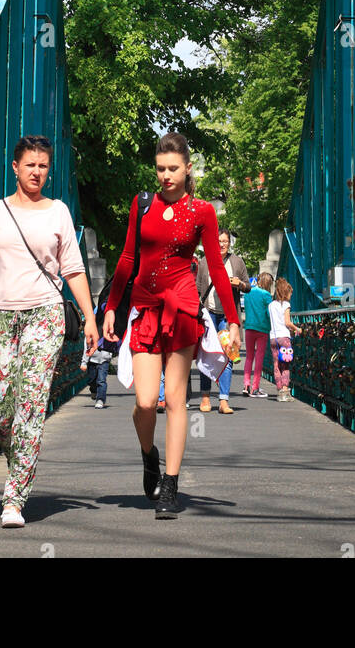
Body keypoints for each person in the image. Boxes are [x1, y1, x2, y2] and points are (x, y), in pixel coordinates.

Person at [0, 135, 98, 527]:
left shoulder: (59, 212)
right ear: (14, 167)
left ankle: (14, 498)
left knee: (30, 405)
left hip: (44, 317)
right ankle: (21, 463)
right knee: (1, 406)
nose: (37, 171)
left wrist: (90, 317)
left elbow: (74, 270)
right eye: (30, 164)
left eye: (43, 165)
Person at [102, 131, 240, 519]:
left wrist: (233, 319)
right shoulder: (141, 204)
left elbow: (215, 266)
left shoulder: (202, 212)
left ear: (188, 168)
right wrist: (112, 306)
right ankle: (150, 457)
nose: (165, 175)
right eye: (160, 168)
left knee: (176, 400)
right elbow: (128, 258)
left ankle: (171, 486)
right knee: (145, 402)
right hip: (145, 308)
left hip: (181, 309)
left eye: (173, 169)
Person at [195, 229, 250, 414]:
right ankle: (204, 397)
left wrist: (240, 284)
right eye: (218, 241)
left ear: (229, 243)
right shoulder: (204, 262)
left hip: (228, 316)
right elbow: (197, 289)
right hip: (208, 314)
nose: (222, 244)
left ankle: (224, 400)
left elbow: (248, 286)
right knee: (207, 354)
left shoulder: (237, 261)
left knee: (228, 355)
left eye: (225, 241)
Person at [269, 277, 301, 401]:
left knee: (276, 364)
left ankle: (279, 391)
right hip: (284, 338)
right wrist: (297, 328)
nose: (291, 296)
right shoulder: (286, 304)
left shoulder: (271, 305)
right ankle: (285, 390)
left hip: (273, 338)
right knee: (285, 365)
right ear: (286, 293)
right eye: (290, 293)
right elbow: (287, 322)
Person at [242, 272, 273, 396]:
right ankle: (255, 388)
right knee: (259, 358)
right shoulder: (266, 295)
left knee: (249, 357)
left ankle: (246, 385)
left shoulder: (248, 293)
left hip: (249, 327)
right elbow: (269, 313)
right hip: (262, 329)